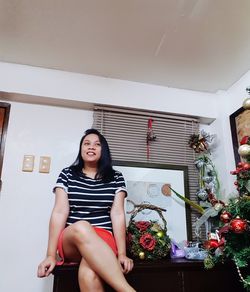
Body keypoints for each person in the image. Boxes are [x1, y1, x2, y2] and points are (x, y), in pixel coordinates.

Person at [37, 128, 135, 292]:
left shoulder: (116, 177)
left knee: (89, 273)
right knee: (82, 226)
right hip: (73, 238)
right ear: (81, 148)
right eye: (86, 143)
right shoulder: (67, 174)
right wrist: (50, 255)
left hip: (104, 238)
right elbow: (59, 212)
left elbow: (117, 214)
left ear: (103, 151)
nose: (91, 147)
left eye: (97, 144)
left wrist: (122, 253)